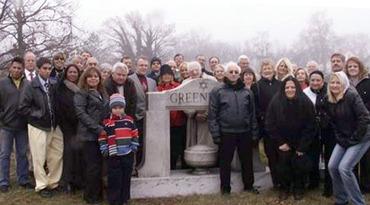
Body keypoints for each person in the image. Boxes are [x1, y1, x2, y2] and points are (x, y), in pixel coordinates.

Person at [208, 62, 259, 195]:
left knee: (247, 161)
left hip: (245, 132)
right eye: (230, 72)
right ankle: (225, 189)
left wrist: (254, 134)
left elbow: (252, 114)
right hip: (226, 132)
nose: (233, 74)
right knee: (225, 162)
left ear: (239, 74)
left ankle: (249, 186)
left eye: (236, 72)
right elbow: (213, 114)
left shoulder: (247, 92)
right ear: (225, 74)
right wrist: (216, 134)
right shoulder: (218, 91)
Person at [18, 57, 64, 198]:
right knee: (39, 157)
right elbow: (23, 108)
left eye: (49, 68)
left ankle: (53, 182)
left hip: (53, 125)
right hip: (37, 125)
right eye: (44, 68)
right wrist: (38, 114)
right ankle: (42, 185)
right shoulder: (30, 86)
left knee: (56, 154)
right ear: (38, 69)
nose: (47, 70)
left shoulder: (53, 84)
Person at [323, 71, 370, 205]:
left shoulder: (352, 96)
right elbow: (333, 123)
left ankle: (358, 202)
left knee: (345, 168)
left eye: (338, 82)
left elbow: (365, 118)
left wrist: (353, 139)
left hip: (361, 137)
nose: (335, 85)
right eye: (332, 82)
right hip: (344, 138)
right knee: (332, 166)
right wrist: (340, 138)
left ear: (344, 83)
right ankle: (342, 199)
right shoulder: (329, 99)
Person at [265, 76, 316, 200]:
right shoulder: (276, 101)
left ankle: (299, 188)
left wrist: (302, 146)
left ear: (297, 88)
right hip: (282, 142)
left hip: (300, 142)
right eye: (287, 87)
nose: (290, 89)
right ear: (283, 88)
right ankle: (284, 188)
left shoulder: (305, 101)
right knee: (283, 165)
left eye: (293, 87)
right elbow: (270, 124)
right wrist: (280, 142)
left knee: (299, 164)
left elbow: (311, 125)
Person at [74, 67, 108, 204]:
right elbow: (81, 114)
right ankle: (90, 196)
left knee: (100, 166)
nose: (93, 78)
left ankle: (99, 194)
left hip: (102, 133)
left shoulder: (102, 93)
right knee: (92, 167)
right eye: (90, 76)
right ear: (85, 78)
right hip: (88, 135)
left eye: (96, 76)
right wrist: (98, 129)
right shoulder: (81, 93)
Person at [98, 93, 139, 205]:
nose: (118, 110)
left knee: (126, 177)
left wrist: (134, 146)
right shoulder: (107, 122)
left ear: (124, 108)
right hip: (113, 154)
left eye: (120, 108)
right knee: (114, 178)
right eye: (115, 108)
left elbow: (135, 134)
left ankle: (124, 198)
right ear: (111, 109)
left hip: (127, 153)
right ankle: (114, 199)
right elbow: (102, 137)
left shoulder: (129, 120)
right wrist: (104, 149)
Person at [0, 57, 33, 193]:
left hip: (22, 126)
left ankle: (23, 179)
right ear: (10, 68)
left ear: (22, 69)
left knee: (21, 154)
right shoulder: (2, 83)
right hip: (6, 125)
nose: (17, 70)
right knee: (5, 154)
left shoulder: (27, 84)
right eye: (15, 67)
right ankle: (3, 181)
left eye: (19, 68)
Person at [250, 59, 282, 189]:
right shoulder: (256, 86)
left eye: (269, 68)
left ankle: (284, 180)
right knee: (271, 154)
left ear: (273, 70)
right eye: (265, 69)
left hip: (281, 125)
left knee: (282, 155)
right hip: (265, 125)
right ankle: (276, 182)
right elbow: (254, 106)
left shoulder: (281, 84)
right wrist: (264, 116)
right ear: (261, 71)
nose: (267, 71)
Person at [54, 64, 82, 194]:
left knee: (79, 154)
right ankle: (68, 182)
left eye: (75, 72)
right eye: (70, 72)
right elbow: (57, 107)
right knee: (69, 154)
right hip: (67, 126)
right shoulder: (61, 87)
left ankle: (78, 180)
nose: (72, 74)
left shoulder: (81, 87)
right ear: (66, 73)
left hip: (80, 126)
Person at [344, 56, 370, 193]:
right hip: (349, 125)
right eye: (350, 66)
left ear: (359, 67)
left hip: (366, 123)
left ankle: (365, 186)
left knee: (366, 158)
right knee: (351, 158)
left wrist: (361, 111)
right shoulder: (344, 83)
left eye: (355, 66)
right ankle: (352, 185)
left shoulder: (367, 82)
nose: (352, 68)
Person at [303, 71, 332, 192]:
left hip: (328, 130)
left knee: (329, 157)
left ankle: (329, 185)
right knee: (313, 156)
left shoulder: (329, 91)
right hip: (312, 131)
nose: (315, 83)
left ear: (322, 81)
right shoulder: (305, 93)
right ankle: (313, 182)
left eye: (318, 80)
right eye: (312, 80)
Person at [157, 65, 187, 169]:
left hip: (179, 122)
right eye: (164, 75)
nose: (166, 77)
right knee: (168, 147)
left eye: (169, 74)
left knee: (179, 145)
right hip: (165, 123)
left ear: (172, 76)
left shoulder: (178, 86)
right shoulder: (158, 88)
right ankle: (170, 166)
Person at [129, 56, 157, 166]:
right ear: (136, 66)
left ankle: (147, 165)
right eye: (141, 65)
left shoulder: (152, 82)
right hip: (136, 117)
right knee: (137, 144)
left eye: (145, 65)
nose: (143, 67)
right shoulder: (130, 79)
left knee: (148, 144)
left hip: (150, 119)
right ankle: (137, 166)